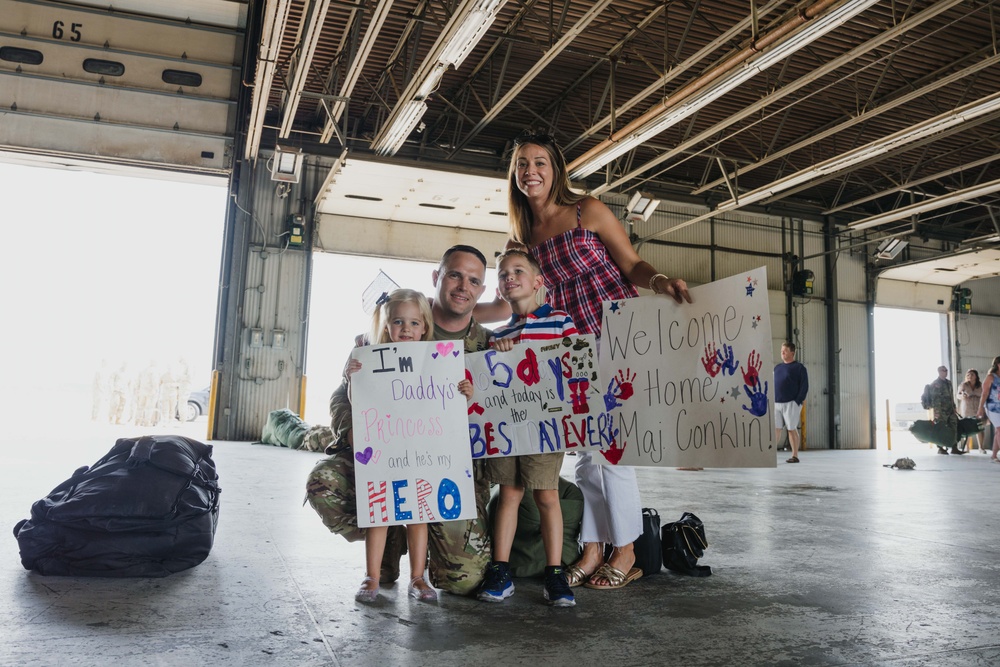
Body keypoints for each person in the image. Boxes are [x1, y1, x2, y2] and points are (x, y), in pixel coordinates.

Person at [478, 131, 691, 592]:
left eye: (539, 162)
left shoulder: (585, 211)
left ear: (555, 170)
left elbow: (631, 263)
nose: (530, 171)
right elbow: (516, 302)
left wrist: (659, 281)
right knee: (584, 458)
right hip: (565, 351)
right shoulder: (524, 238)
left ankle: (627, 549)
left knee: (611, 452)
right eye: (521, 163)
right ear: (513, 174)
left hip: (614, 339)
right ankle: (594, 546)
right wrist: (453, 319)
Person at [305, 245, 493, 596]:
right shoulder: (376, 341)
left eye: (473, 280)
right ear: (437, 277)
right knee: (323, 483)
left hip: (446, 469)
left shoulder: (487, 346)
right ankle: (386, 541)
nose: (462, 285)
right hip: (383, 458)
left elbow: (496, 415)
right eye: (454, 274)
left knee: (464, 579)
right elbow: (339, 399)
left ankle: (421, 569)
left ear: (481, 290)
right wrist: (359, 431)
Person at [347, 289, 474, 603]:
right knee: (379, 515)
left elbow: (449, 411)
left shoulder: (437, 361)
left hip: (422, 451)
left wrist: (464, 393)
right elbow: (359, 406)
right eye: (398, 322)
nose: (406, 329)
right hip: (385, 452)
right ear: (386, 325)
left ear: (425, 327)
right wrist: (353, 381)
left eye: (414, 323)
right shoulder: (371, 359)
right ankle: (371, 576)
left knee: (419, 515)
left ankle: (418, 577)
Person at [477, 249, 579, 607]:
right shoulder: (499, 335)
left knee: (547, 496)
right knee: (508, 495)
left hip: (546, 425)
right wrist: (499, 353)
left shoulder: (560, 321)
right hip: (507, 428)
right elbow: (491, 385)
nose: (510, 277)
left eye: (518, 271)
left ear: (538, 282)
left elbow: (573, 364)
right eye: (503, 274)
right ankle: (500, 570)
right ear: (500, 289)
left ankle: (555, 573)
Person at [773, 342, 809, 464]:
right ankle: (771, 454)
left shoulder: (799, 368)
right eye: (781, 350)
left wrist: (797, 401)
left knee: (791, 429)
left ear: (792, 353)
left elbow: (804, 386)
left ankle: (795, 455)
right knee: (776, 429)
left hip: (791, 403)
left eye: (785, 351)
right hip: (776, 402)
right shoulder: (777, 368)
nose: (782, 353)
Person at [926, 365, 963, 455]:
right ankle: (940, 448)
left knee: (954, 427)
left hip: (950, 410)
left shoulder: (949, 383)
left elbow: (951, 396)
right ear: (939, 372)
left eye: (946, 370)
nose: (945, 372)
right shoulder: (935, 384)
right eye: (943, 370)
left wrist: (954, 407)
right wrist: (936, 412)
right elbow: (934, 399)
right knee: (941, 428)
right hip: (941, 411)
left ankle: (954, 447)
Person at [976, 356, 1000, 462]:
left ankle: (994, 455)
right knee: (999, 430)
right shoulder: (991, 377)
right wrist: (980, 408)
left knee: (998, 432)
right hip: (992, 408)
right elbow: (984, 393)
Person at [956, 369, 983, 452]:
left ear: (976, 376)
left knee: (979, 427)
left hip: (978, 408)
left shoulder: (980, 385)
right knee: (967, 428)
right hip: (966, 409)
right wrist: (962, 396)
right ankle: (967, 448)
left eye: (972, 374)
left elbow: (984, 394)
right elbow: (958, 395)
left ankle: (981, 447)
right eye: (968, 375)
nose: (970, 376)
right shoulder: (963, 385)